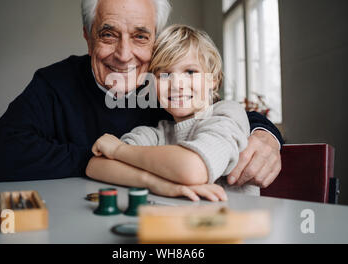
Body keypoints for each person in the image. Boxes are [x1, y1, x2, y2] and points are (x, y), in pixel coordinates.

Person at [0, 0, 283, 188]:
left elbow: (219, 112)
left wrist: (265, 132)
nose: (123, 55)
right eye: (108, 34)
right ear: (88, 36)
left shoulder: (166, 88)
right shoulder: (55, 83)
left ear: (155, 43)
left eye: (140, 37)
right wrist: (92, 156)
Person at [87, 24, 258, 201]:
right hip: (181, 221)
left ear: (212, 79)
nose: (177, 85)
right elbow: (95, 166)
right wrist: (155, 183)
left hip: (234, 223)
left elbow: (192, 169)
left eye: (190, 72)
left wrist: (118, 150)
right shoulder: (159, 133)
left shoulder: (226, 114)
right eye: (165, 75)